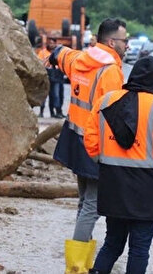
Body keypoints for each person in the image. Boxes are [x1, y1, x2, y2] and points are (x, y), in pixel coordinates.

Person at [85, 57, 153, 274]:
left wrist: (103, 161)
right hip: (147, 190)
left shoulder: (105, 101)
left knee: (112, 243)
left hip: (112, 185)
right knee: (139, 249)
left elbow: (91, 141)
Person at [49, 18, 130, 274]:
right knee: (92, 206)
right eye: (124, 40)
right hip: (95, 145)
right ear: (111, 42)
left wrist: (54, 53)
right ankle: (76, 267)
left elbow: (63, 56)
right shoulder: (111, 71)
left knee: (84, 202)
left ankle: (79, 262)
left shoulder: (82, 59)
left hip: (74, 137)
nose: (127, 45)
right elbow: (114, 114)